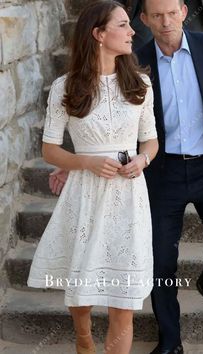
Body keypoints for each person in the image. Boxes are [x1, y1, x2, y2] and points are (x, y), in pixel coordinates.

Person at [27, 1, 158, 354]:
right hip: (85, 193)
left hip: (130, 196)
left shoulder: (141, 83)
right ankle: (84, 341)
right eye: (123, 25)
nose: (133, 32)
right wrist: (83, 162)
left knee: (124, 299)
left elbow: (151, 139)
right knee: (81, 283)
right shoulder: (65, 87)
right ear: (99, 34)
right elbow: (50, 150)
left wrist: (143, 159)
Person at [138, 0, 203, 353]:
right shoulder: (135, 60)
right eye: (157, 16)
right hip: (162, 171)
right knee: (161, 259)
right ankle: (170, 339)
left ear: (183, 10)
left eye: (171, 13)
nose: (166, 22)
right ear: (144, 19)